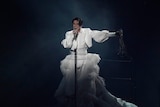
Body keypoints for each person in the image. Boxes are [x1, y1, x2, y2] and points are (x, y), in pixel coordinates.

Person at [55, 17, 138, 107]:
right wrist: (72, 37)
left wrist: (114, 34)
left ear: (80, 25)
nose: (75, 26)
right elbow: (66, 44)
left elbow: (98, 35)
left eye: (77, 24)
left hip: (84, 61)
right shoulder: (69, 34)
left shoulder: (87, 31)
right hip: (73, 61)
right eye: (74, 24)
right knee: (71, 88)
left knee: (86, 88)